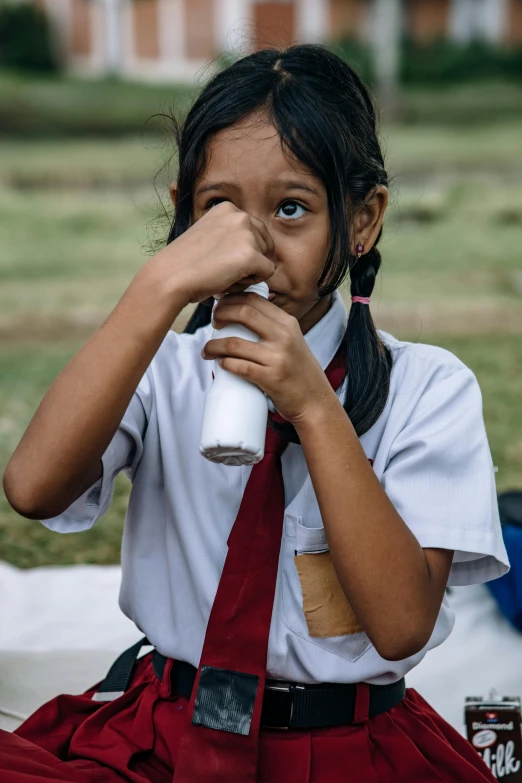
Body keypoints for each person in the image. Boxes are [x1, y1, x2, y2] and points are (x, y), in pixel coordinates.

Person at [0, 45, 508, 782]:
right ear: (184, 217)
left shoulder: (428, 387)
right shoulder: (162, 370)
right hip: (163, 735)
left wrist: (312, 405)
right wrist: (158, 288)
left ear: (363, 220)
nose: (256, 245)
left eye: (292, 208)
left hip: (343, 749)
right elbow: (32, 487)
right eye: (219, 211)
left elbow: (401, 626)